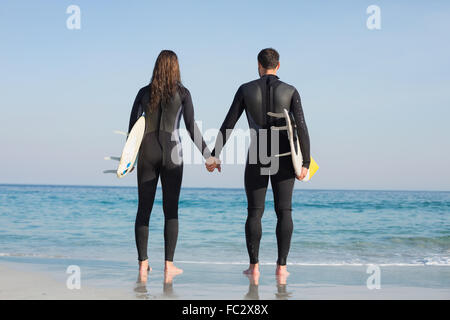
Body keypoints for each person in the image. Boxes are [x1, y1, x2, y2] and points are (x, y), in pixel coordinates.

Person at [206, 48, 311, 276]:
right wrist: (306, 162)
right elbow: (301, 127)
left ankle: (254, 267)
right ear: (279, 66)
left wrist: (214, 155)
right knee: (284, 211)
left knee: (254, 213)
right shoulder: (291, 91)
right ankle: (281, 268)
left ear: (258, 65)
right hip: (284, 156)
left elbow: (228, 125)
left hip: (258, 153)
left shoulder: (246, 89)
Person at [128, 50, 212, 279]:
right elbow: (190, 127)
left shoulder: (143, 93)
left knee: (143, 209)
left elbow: (133, 129)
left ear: (156, 67)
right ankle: (168, 265)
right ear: (176, 68)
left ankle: (143, 264)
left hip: (147, 151)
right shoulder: (183, 93)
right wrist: (208, 156)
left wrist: (129, 160)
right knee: (170, 209)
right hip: (173, 151)